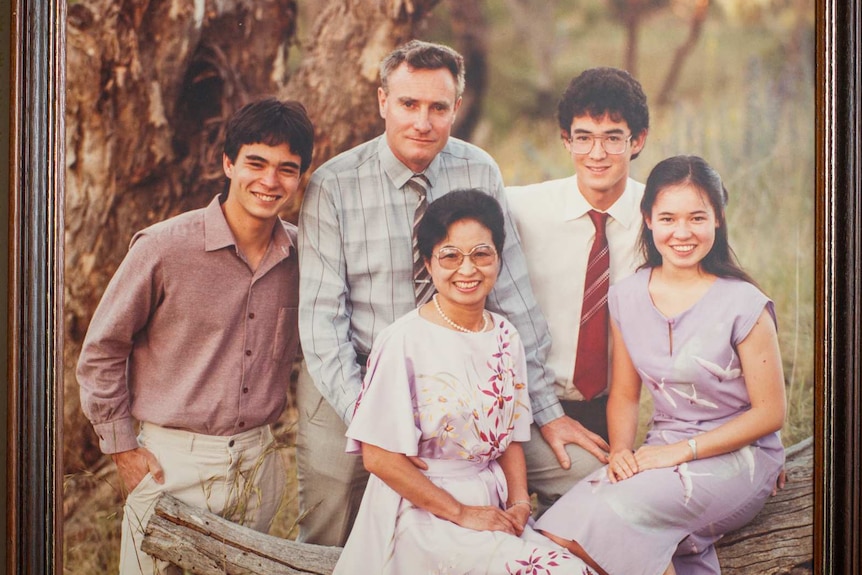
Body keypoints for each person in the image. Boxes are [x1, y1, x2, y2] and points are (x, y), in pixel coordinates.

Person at [297, 39, 589, 546]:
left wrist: (546, 409)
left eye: (438, 107)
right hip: (356, 377)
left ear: (457, 107)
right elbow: (323, 324)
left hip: (467, 385)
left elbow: (513, 294)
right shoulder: (334, 184)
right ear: (383, 101)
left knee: (583, 473)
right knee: (330, 524)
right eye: (408, 104)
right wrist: (375, 422)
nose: (422, 122)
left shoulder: (478, 169)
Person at [76, 98, 315, 574]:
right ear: (227, 162)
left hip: (257, 464)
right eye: (256, 163)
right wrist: (123, 449)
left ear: (301, 176)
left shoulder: (304, 257)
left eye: (286, 169)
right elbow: (102, 351)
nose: (270, 181)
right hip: (170, 466)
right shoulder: (163, 247)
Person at [535, 155, 787, 575]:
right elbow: (625, 394)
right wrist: (620, 451)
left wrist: (679, 452)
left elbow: (771, 412)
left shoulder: (744, 304)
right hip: (659, 453)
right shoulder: (627, 296)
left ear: (718, 220)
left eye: (697, 218)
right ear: (648, 219)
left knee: (604, 525)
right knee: (553, 535)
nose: (682, 233)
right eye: (668, 218)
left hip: (739, 456)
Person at [332, 189, 593, 574]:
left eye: (481, 254)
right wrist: (460, 513)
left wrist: (520, 501)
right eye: (450, 256)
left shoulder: (505, 335)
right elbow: (379, 457)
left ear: (499, 259)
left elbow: (511, 439)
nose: (467, 270)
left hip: (492, 505)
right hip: (423, 513)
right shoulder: (404, 340)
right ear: (428, 264)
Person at [506, 67, 650, 512]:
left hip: (609, 405)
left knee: (596, 519)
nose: (597, 153)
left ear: (637, 140)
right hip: (523, 401)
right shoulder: (521, 208)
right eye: (583, 137)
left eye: (613, 137)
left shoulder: (660, 217)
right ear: (566, 141)